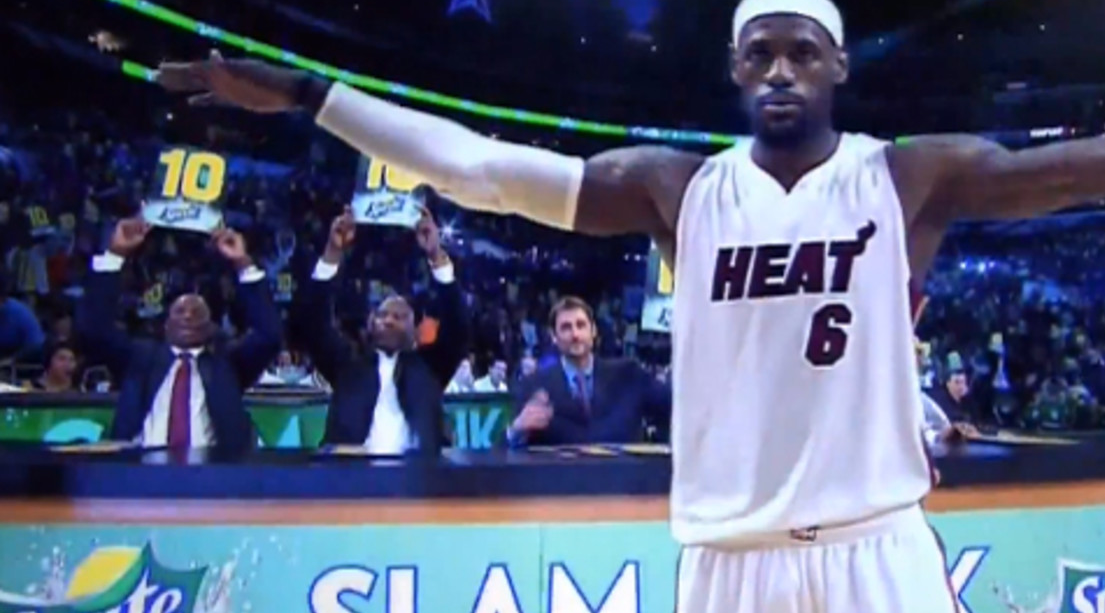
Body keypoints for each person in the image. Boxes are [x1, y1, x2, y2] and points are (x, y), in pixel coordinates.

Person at [157, 0, 1105, 613]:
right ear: (736, 71)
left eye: (802, 53)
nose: (781, 70)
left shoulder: (905, 176)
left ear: (838, 66)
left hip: (881, 549)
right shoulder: (677, 189)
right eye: (761, 54)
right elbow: (482, 170)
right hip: (726, 560)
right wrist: (311, 95)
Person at [77, 216, 282, 450]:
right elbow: (93, 329)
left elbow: (269, 335)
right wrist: (115, 254)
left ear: (210, 327)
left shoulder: (226, 363)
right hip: (139, 466)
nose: (188, 315)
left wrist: (242, 263)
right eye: (180, 310)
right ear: (166, 325)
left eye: (197, 311)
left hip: (211, 468)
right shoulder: (140, 358)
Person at [295, 206, 468, 455]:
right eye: (381, 315)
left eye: (399, 316)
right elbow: (314, 323)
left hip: (417, 473)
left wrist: (436, 256)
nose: (388, 320)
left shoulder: (431, 365)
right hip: (352, 472)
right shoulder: (347, 364)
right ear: (369, 323)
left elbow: (459, 326)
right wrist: (332, 253)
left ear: (415, 329)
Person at [507, 295, 670, 447]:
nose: (575, 335)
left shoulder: (629, 375)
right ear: (554, 337)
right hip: (562, 469)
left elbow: (673, 408)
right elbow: (505, 450)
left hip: (621, 468)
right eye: (566, 328)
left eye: (581, 325)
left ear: (593, 331)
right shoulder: (533, 385)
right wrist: (516, 430)